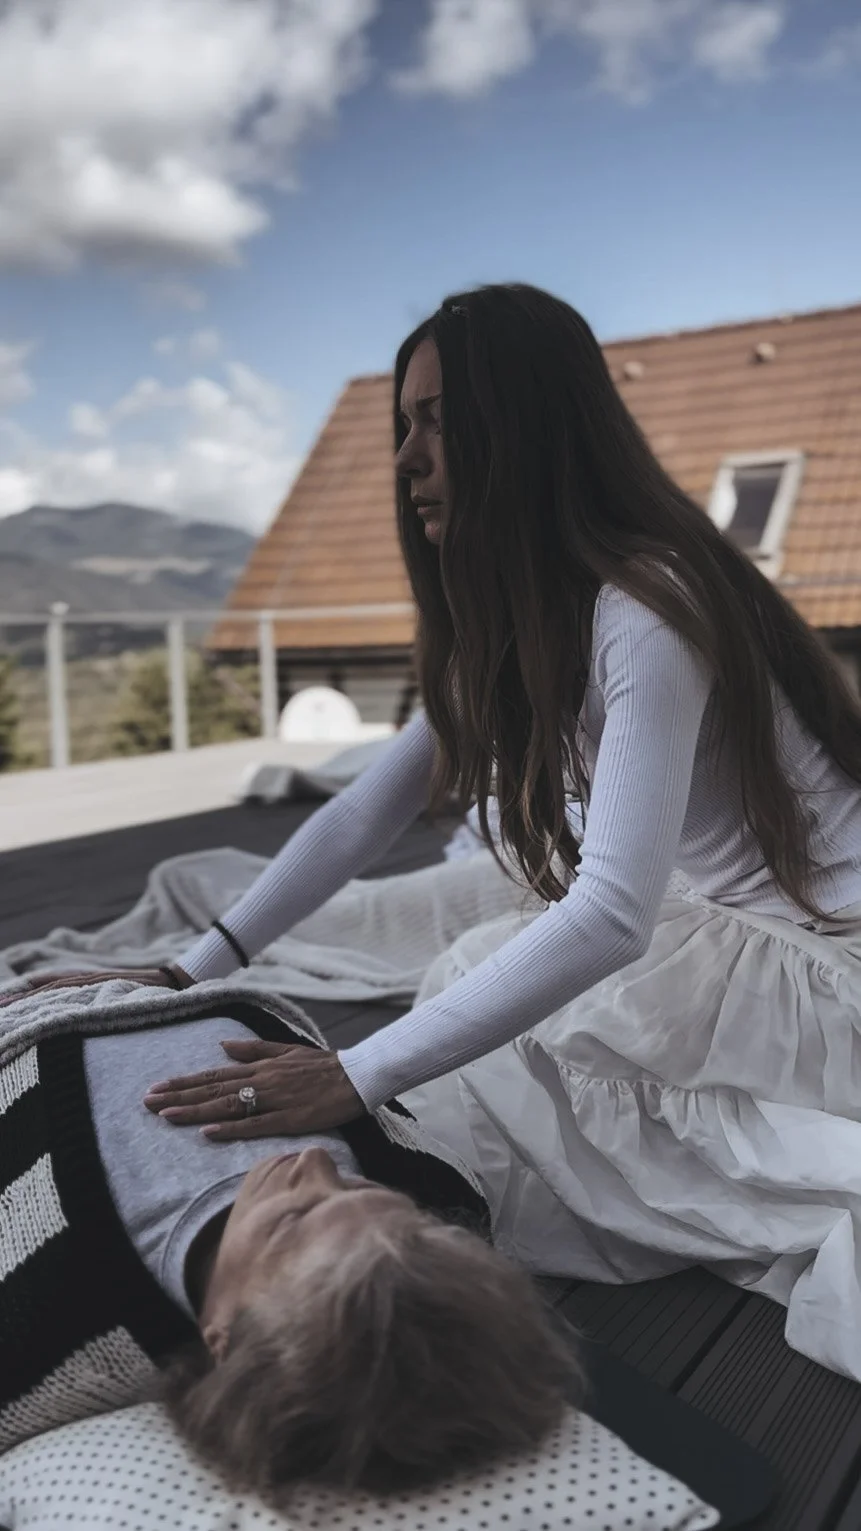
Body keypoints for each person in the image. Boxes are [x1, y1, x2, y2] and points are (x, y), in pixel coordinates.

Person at [20, 282, 861, 1380]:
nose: (407, 458)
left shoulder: (646, 606)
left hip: (834, 982)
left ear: (526, 426)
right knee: (483, 974)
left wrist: (354, 1075)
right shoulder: (529, 616)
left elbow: (610, 915)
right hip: (737, 945)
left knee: (496, 983)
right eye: (402, 427)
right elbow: (368, 807)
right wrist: (191, 965)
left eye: (437, 422)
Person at [0, 986, 574, 1497]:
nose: (317, 1162)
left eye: (292, 1221)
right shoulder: (439, 1189)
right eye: (374, 1195)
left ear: (223, 1336)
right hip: (180, 979)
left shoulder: (51, 1317)